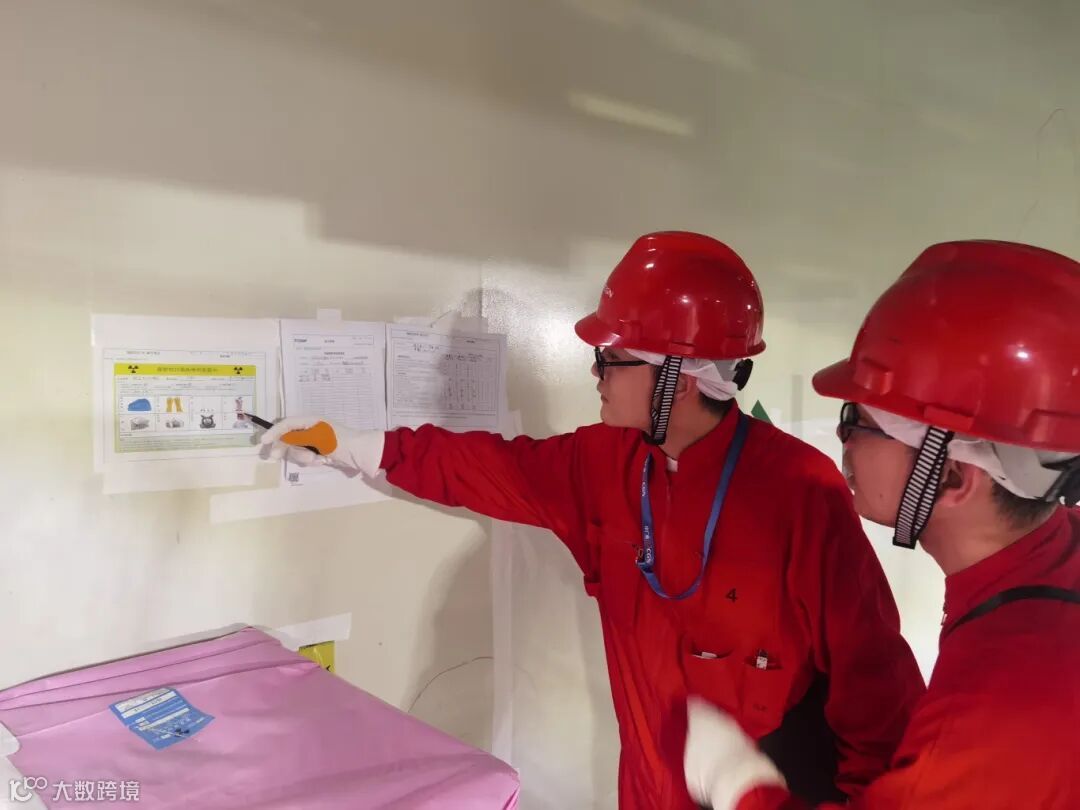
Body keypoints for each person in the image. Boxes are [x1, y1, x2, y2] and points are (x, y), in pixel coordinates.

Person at [261, 231, 924, 809]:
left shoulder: (799, 490)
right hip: (646, 786)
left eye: (612, 357)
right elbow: (482, 467)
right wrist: (346, 444)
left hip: (758, 795)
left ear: (679, 378)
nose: (596, 372)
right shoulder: (602, 463)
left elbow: (875, 686)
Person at [683, 239, 1080, 810]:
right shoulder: (1049, 563)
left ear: (951, 476)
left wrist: (737, 782)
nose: (841, 437)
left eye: (860, 422)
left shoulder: (996, 716)